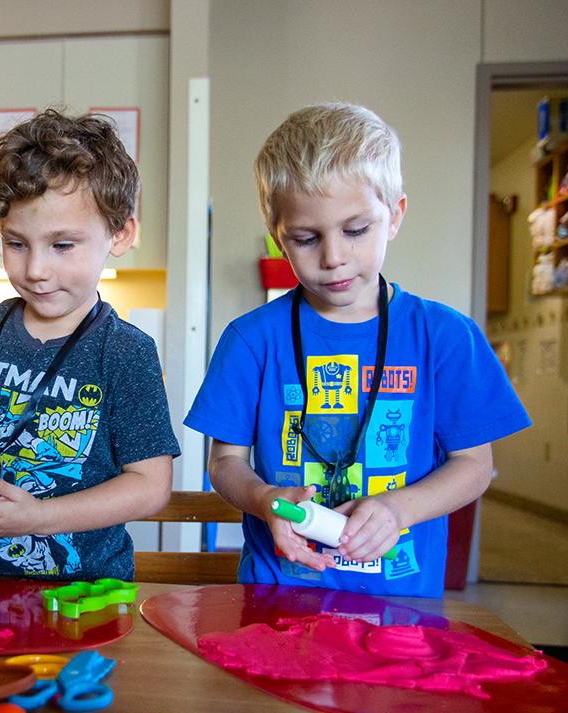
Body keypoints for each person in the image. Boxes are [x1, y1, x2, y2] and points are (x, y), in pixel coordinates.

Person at [185, 103, 531, 598]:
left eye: (355, 230)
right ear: (279, 240)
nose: (333, 257)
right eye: (305, 238)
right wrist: (264, 498)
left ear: (394, 216)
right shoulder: (251, 339)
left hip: (400, 600)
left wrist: (398, 509)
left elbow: (473, 466)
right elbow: (224, 463)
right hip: (278, 595)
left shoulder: (446, 336)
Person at [0, 110, 179, 580]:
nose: (36, 270)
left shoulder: (126, 352)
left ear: (120, 234)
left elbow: (149, 485)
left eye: (62, 245)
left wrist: (40, 518)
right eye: (16, 243)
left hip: (83, 598)